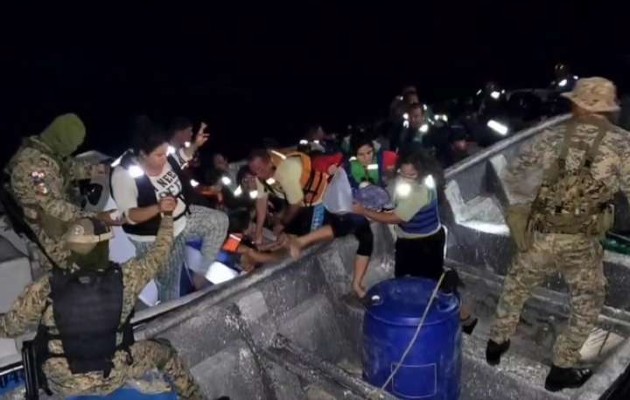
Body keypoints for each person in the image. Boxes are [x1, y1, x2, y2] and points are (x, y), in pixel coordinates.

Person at [486, 77, 630, 392]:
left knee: (516, 286)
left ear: (577, 104)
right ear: (608, 108)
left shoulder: (552, 135)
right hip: (581, 242)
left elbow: (515, 174)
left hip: (540, 234)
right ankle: (560, 369)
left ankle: (496, 342)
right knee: (588, 301)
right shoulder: (622, 144)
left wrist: (534, 199)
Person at [0, 198, 205, 399]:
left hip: (62, 382)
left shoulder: (45, 287)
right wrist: (167, 215)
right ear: (103, 248)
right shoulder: (129, 277)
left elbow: (9, 329)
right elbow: (161, 251)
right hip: (113, 375)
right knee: (165, 352)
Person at [351, 149, 478, 332]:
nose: (406, 177)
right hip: (407, 242)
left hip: (427, 243)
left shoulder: (422, 189)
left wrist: (364, 212)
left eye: (411, 174)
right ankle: (419, 317)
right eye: (402, 172)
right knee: (403, 282)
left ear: (422, 172)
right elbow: (390, 193)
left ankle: (464, 318)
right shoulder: (405, 179)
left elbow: (398, 218)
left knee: (433, 287)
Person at [111, 119, 229, 301]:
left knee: (219, 221)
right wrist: (158, 207)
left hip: (182, 221)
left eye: (165, 153)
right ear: (143, 154)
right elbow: (130, 216)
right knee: (170, 288)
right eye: (159, 155)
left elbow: (180, 157)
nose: (165, 158)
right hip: (156, 238)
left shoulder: (166, 159)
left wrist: (196, 145)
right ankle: (169, 314)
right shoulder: (123, 175)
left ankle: (200, 276)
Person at [248, 148, 374, 298]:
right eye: (254, 171)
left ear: (269, 162)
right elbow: (262, 202)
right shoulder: (260, 176)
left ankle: (355, 283)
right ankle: (278, 248)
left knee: (360, 228)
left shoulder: (285, 170)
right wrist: (258, 235)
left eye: (261, 169)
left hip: (319, 199)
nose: (258, 174)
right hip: (306, 206)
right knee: (352, 226)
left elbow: (295, 204)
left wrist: (282, 223)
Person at [3, 113, 122, 271]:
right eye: (72, 145)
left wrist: (101, 170)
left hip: (54, 215)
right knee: (98, 242)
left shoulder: (45, 149)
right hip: (47, 230)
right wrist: (96, 217)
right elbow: (51, 207)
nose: (74, 149)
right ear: (61, 139)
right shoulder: (34, 167)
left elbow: (67, 169)